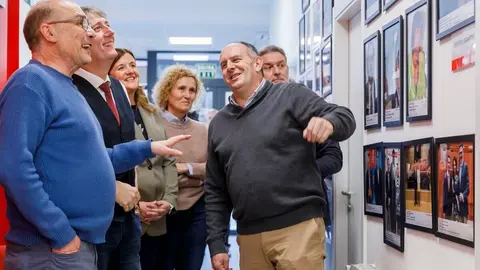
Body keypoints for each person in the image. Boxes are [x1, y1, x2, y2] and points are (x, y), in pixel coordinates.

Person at [0, 1, 189, 269]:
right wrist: (60, 233)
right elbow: (13, 167)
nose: (89, 33)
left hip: (76, 247)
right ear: (49, 32)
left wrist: (148, 148)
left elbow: (93, 160)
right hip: (51, 250)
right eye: (80, 23)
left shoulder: (65, 87)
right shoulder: (31, 82)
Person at [206, 41, 356, 270]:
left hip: (298, 229)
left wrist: (328, 122)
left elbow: (344, 116)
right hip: (249, 237)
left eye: (236, 60)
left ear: (257, 64)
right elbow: (215, 189)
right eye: (224, 64)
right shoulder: (218, 124)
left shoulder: (289, 95)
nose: (230, 67)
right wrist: (217, 244)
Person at [108, 48, 178, 270]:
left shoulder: (151, 111)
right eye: (121, 67)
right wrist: (138, 205)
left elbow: (168, 160)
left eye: (132, 65)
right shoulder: (109, 114)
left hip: (158, 217)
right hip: (126, 213)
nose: (130, 71)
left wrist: (168, 201)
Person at [259, 44, 343, 228]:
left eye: (281, 65)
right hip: (263, 215)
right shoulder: (254, 110)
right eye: (268, 67)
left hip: (306, 212)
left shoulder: (308, 105)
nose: (276, 72)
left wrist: (298, 172)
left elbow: (334, 158)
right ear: (259, 72)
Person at [153, 64, 209, 270]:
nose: (187, 95)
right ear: (167, 91)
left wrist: (185, 169)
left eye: (192, 90)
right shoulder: (152, 125)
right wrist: (198, 174)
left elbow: (214, 169)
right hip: (164, 209)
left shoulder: (203, 130)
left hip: (197, 210)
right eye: (181, 88)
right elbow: (154, 171)